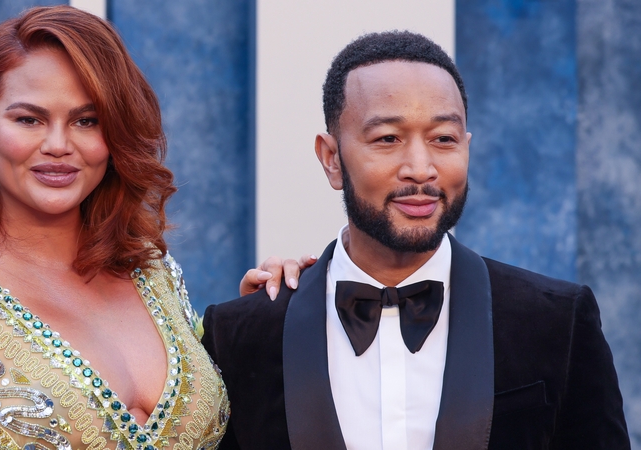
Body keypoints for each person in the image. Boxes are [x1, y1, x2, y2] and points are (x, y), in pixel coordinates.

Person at [0, 6, 300, 449]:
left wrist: (256, 319)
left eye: (86, 121)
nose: (58, 145)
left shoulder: (153, 270)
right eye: (29, 119)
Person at [202, 31, 630, 450]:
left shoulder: (557, 321)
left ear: (466, 147)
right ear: (332, 159)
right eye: (387, 139)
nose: (421, 169)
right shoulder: (240, 333)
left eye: (443, 139)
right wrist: (260, 315)